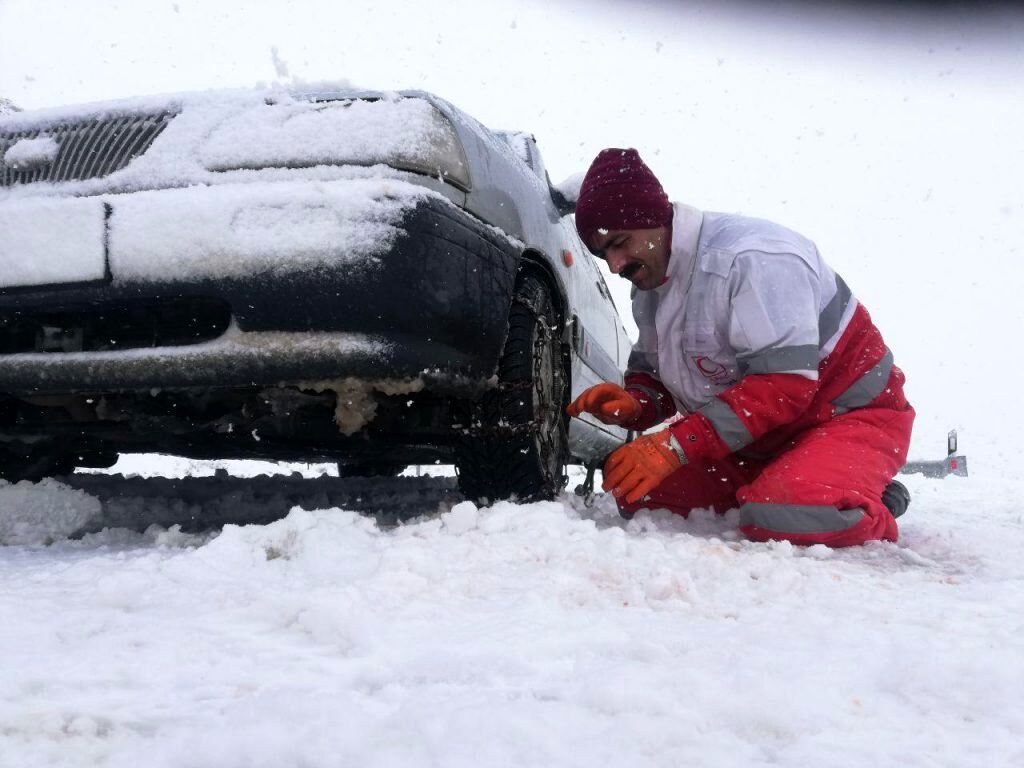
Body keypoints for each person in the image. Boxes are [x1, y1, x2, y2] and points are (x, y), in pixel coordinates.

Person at [566, 148, 914, 547]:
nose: (614, 266)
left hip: (846, 418)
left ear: (652, 219)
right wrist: (634, 404)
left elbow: (784, 386)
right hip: (756, 440)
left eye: (620, 243)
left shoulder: (754, 257)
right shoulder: (651, 289)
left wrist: (676, 446)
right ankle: (798, 482)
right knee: (637, 493)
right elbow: (658, 380)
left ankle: (860, 495)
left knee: (787, 515)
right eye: (603, 253)